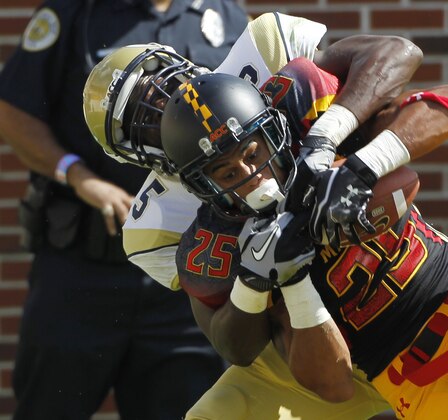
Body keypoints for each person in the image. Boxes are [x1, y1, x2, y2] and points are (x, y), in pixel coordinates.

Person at [159, 60, 448, 419]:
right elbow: (331, 386)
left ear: (273, 133)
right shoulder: (234, 251)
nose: (250, 174)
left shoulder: (322, 141)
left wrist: (360, 166)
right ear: (204, 187)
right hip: (431, 377)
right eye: (227, 172)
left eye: (253, 154)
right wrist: (288, 279)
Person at [82, 19, 423, 419]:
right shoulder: (154, 223)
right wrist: (254, 279)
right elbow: (233, 344)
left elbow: (399, 53)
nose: (174, 109)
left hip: (400, 271)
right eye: (150, 122)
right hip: (307, 342)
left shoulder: (263, 51)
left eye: (166, 87)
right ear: (137, 156)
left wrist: (329, 136)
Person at [0, 0, 249, 418]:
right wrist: (78, 175)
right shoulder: (74, 13)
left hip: (182, 276)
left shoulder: (225, 15)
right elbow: (13, 109)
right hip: (82, 272)